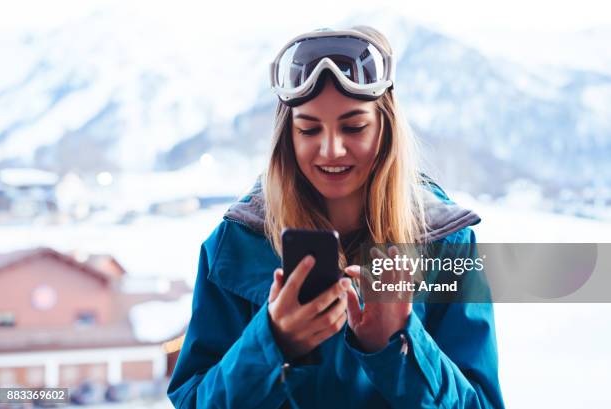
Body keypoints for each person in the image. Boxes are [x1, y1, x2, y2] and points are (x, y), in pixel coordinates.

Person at [167, 25, 505, 408]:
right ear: (287, 137)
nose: (331, 149)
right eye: (309, 129)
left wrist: (399, 347)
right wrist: (272, 342)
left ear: (385, 128)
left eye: (354, 126)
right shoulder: (235, 245)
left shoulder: (447, 245)